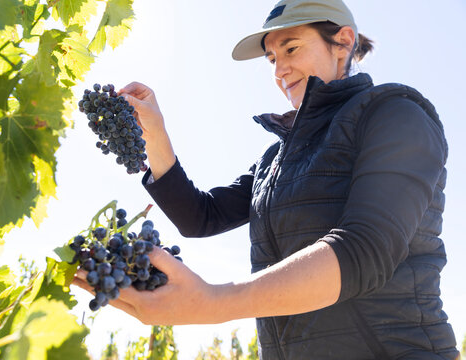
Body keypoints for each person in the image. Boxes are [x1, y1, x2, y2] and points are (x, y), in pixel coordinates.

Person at [73, 0, 460, 358]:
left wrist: (214, 302)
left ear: (342, 42)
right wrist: (155, 136)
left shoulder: (396, 114)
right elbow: (201, 217)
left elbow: (364, 250)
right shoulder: (274, 160)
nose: (278, 70)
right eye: (272, 58)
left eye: (291, 49)